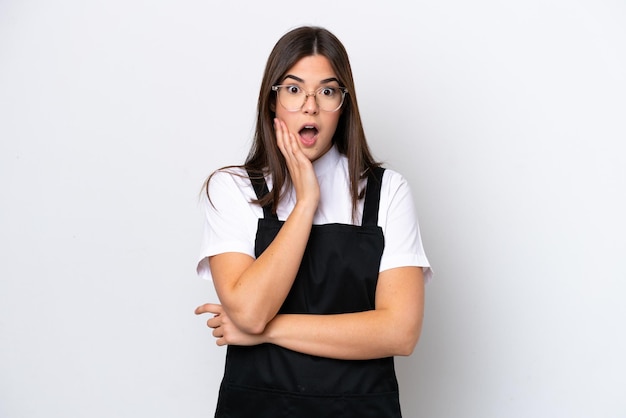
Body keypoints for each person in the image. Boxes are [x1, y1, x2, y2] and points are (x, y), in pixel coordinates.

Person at [194, 25, 432, 417]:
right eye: (293, 89)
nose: (310, 106)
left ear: (343, 103)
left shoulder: (387, 191)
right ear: (271, 101)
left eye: (326, 90)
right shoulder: (233, 188)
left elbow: (400, 332)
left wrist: (267, 331)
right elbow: (250, 310)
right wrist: (306, 203)